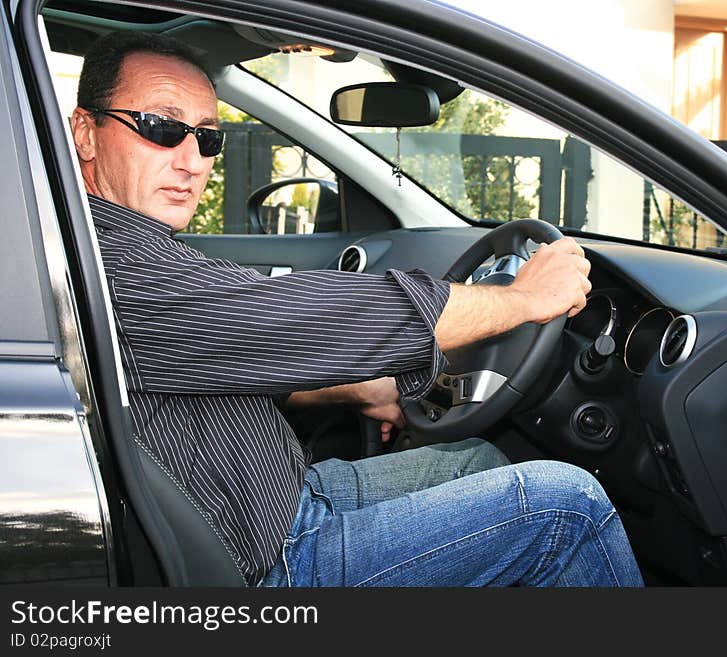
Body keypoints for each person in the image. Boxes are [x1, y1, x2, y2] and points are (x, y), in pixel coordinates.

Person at [70, 30, 643, 587]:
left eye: (208, 138)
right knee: (568, 508)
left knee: (476, 459)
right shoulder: (114, 264)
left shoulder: (131, 247)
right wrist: (523, 299)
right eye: (162, 128)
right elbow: (303, 317)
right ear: (86, 134)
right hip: (277, 563)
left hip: (286, 500)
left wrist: (363, 389)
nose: (192, 160)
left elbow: (229, 354)